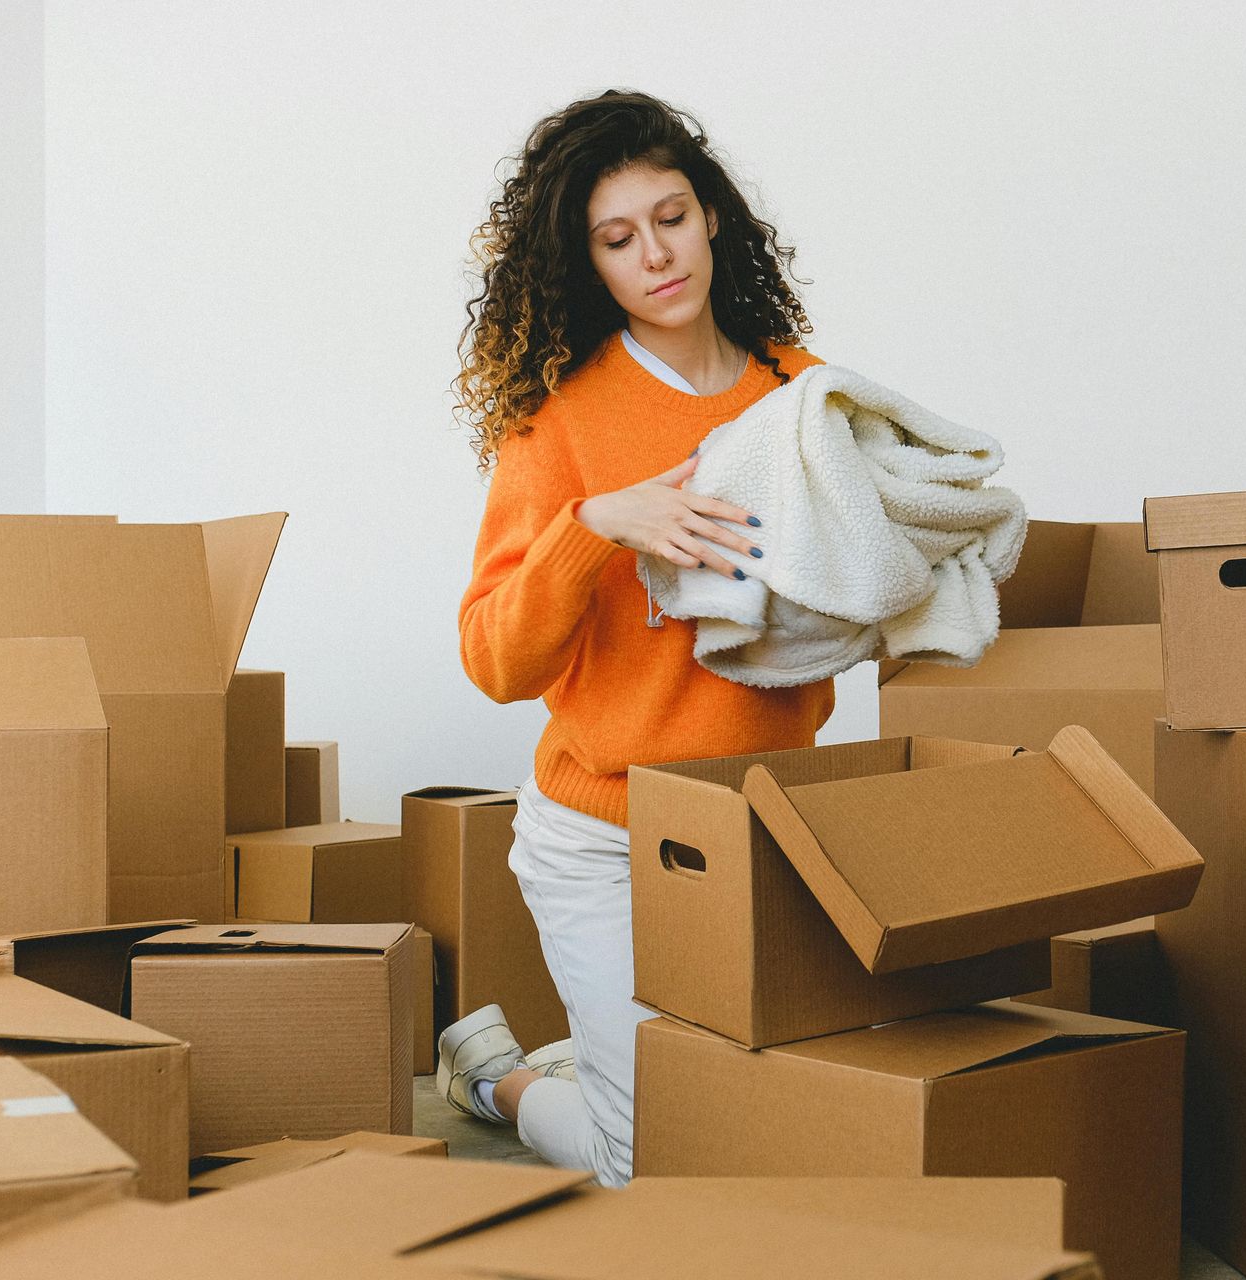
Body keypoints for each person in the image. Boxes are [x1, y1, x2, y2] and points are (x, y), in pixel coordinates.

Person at [443, 89, 835, 1186]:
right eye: (619, 239)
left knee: (782, 1126)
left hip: (763, 825)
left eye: (671, 216)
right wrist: (591, 528)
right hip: (601, 835)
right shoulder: (559, 421)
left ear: (712, 214)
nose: (656, 254)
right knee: (645, 1158)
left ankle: (603, 1051)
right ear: (590, 263)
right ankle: (503, 1077)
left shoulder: (798, 393)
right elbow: (494, 661)